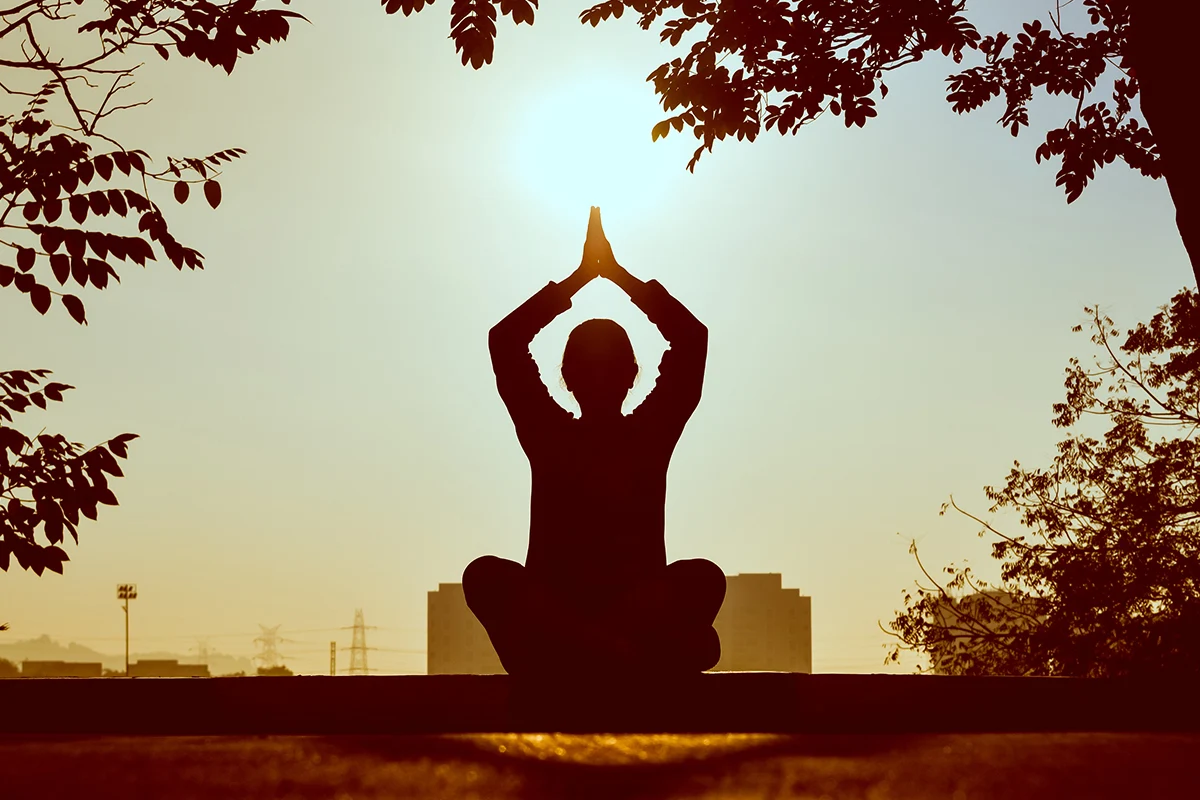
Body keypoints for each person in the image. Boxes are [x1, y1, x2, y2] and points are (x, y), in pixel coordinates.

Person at [464, 207, 725, 677]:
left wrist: (585, 279)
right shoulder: (630, 432)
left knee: (704, 578)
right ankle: (615, 652)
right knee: (483, 575)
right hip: (590, 620)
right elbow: (691, 339)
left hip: (584, 623)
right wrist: (612, 278)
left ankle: (590, 649)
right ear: (634, 375)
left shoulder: (559, 431)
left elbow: (506, 342)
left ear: (564, 377)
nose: (601, 376)